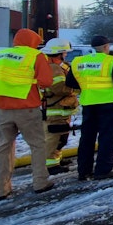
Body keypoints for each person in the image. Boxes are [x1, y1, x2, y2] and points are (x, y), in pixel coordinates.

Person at [0, 28, 55, 199]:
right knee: (37, 145)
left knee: (3, 148)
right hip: (27, 108)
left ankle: (1, 189)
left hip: (2, 109)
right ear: (32, 42)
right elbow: (46, 81)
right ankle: (40, 182)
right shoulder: (34, 56)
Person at [66, 35, 113, 181]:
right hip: (108, 104)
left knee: (87, 138)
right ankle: (103, 170)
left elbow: (70, 81)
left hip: (89, 103)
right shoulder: (111, 61)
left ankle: (83, 171)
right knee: (107, 137)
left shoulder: (79, 61)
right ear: (105, 47)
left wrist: (86, 88)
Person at [40, 38, 79, 175]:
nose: (66, 55)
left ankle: (56, 159)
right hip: (55, 109)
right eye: (65, 53)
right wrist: (76, 89)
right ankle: (51, 165)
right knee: (53, 138)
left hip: (61, 109)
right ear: (59, 53)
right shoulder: (54, 68)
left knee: (61, 137)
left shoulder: (58, 66)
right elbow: (59, 88)